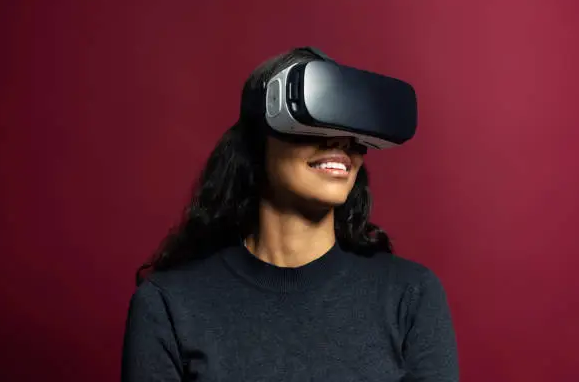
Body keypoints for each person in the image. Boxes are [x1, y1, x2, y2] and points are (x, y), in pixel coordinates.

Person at [121, 47, 459, 382]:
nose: (340, 142)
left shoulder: (411, 295)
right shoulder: (167, 306)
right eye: (314, 120)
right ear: (258, 142)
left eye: (351, 129)